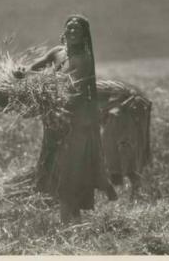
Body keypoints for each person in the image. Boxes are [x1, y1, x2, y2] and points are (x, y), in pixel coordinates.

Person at [14, 15, 118, 223]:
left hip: (75, 123)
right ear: (63, 31)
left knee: (70, 172)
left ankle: (71, 226)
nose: (71, 32)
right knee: (58, 169)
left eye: (76, 30)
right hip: (56, 121)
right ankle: (72, 224)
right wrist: (21, 72)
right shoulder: (57, 52)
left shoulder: (84, 59)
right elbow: (36, 67)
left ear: (83, 36)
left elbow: (71, 88)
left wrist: (42, 84)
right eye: (69, 28)